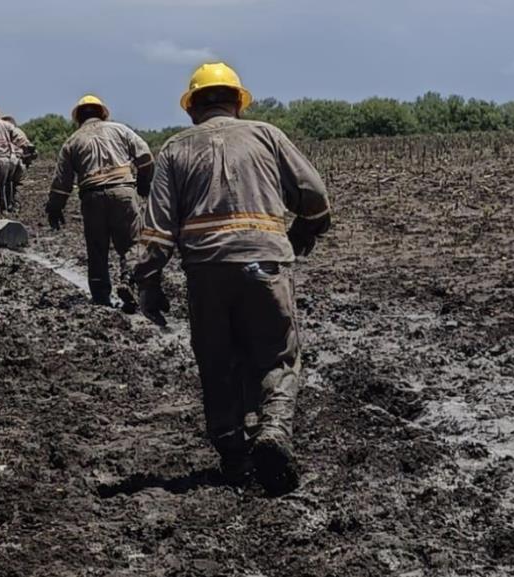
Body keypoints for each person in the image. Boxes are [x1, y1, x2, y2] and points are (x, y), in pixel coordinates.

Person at [134, 63, 331, 494]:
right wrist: (302, 232)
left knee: (217, 363)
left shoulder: (174, 149)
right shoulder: (267, 135)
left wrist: (148, 282)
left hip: (206, 272)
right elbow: (315, 199)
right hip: (266, 263)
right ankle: (275, 428)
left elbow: (157, 231)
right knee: (278, 355)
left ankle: (235, 459)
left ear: (192, 109)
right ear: (238, 102)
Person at [46, 95, 153, 310]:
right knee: (131, 243)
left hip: (92, 196)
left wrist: (55, 208)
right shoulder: (121, 130)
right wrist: (143, 183)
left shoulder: (73, 142)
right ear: (103, 113)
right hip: (123, 192)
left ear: (78, 118)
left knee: (97, 248)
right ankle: (128, 279)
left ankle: (101, 298)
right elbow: (146, 157)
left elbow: (62, 182)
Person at [1, 115, 37, 212]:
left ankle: (6, 205)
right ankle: (15, 205)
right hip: (21, 161)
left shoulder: (7, 131)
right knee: (17, 185)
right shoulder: (20, 132)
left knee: (6, 183)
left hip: (12, 159)